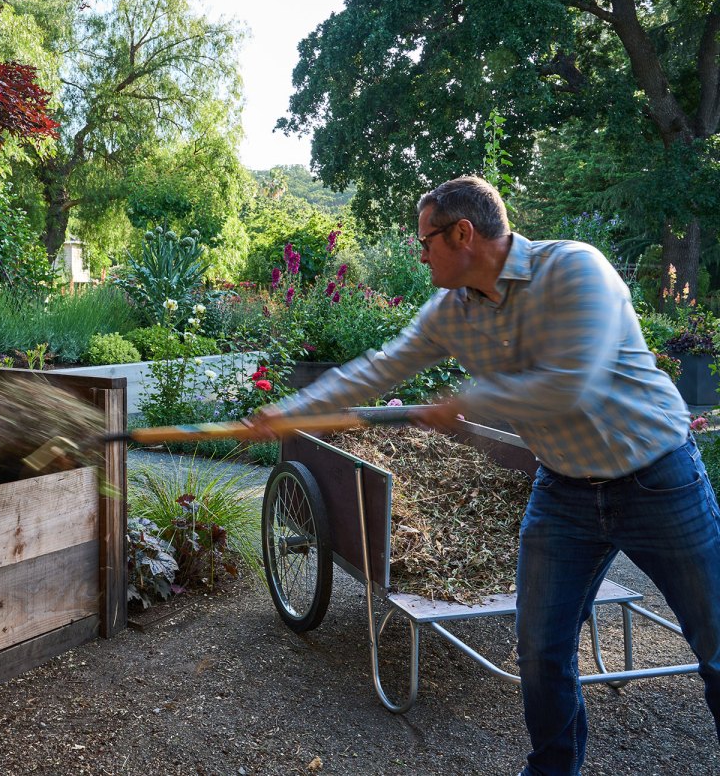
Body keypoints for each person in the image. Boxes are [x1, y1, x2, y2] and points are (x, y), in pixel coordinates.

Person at [250, 176, 720, 776]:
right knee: (540, 652)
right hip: (564, 490)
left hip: (658, 478)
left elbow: (571, 383)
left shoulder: (576, 270)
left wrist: (469, 400)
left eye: (425, 241)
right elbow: (378, 369)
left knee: (714, 645)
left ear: (463, 233)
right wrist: (290, 412)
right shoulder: (451, 312)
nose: (419, 255)